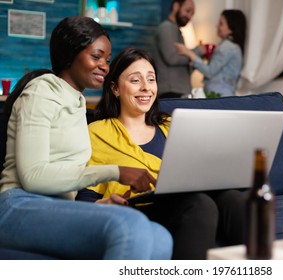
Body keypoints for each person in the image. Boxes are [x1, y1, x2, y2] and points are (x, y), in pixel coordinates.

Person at [0, 16, 173, 260]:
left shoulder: (78, 103)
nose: (105, 66)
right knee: (129, 226)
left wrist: (102, 206)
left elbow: (66, 182)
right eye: (96, 56)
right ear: (71, 55)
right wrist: (116, 172)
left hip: (59, 207)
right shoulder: (42, 90)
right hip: (18, 204)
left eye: (107, 60)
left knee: (160, 237)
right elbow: (33, 178)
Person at [76, 47, 246, 259]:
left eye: (151, 79)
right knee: (200, 205)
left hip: (182, 202)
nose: (146, 88)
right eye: (135, 80)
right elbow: (83, 200)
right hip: (137, 210)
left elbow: (198, 170)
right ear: (115, 88)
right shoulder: (98, 133)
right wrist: (107, 203)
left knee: (232, 198)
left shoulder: (172, 125)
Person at [176, 9, 247, 97]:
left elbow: (209, 71)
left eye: (221, 23)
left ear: (231, 29)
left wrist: (189, 53)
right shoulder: (233, 47)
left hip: (219, 94)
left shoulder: (227, 47)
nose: (217, 26)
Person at [153, 0, 199, 98]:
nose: (189, 16)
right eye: (187, 11)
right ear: (176, 6)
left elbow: (182, 66)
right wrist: (197, 52)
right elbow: (172, 58)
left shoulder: (176, 30)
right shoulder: (166, 28)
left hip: (177, 91)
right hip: (170, 92)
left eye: (192, 14)